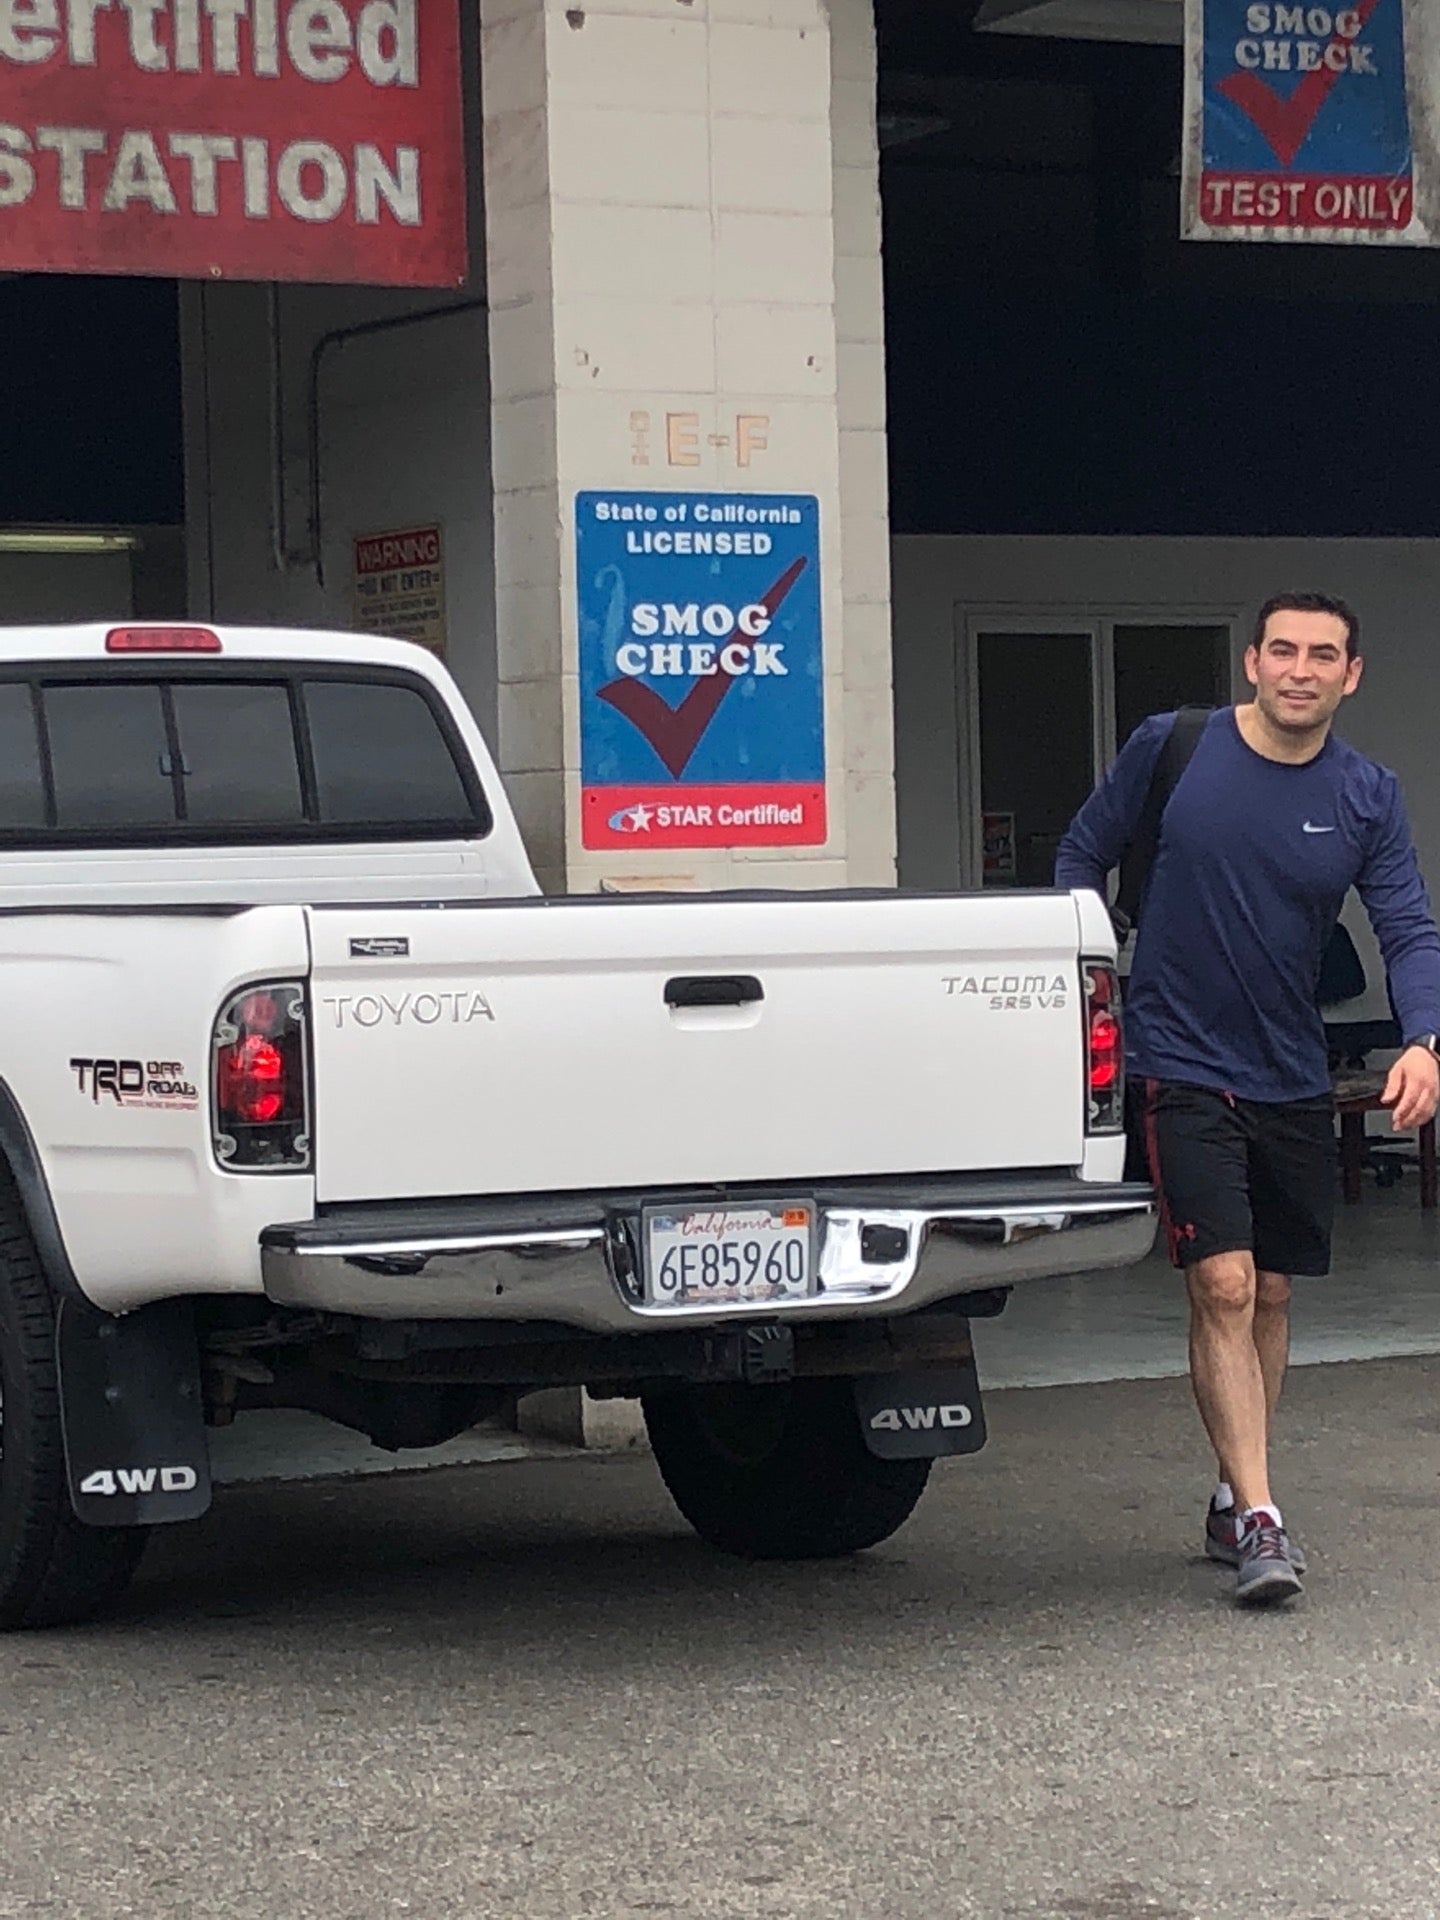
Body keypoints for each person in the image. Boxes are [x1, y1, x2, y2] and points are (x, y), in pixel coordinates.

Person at [1055, 592, 1440, 1608]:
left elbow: (1407, 925)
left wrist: (1423, 1040)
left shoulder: (1366, 795)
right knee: (1222, 1285)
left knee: (1270, 1292)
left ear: (1351, 675)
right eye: (1284, 650)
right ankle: (1264, 1519)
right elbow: (1081, 855)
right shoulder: (1174, 749)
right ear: (1254, 663)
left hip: (1292, 1070)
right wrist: (1090, 980)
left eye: (1323, 655)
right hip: (1179, 1060)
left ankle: (1234, 1492)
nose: (1300, 669)